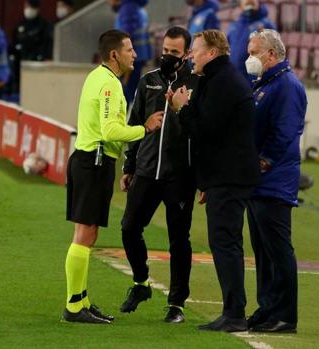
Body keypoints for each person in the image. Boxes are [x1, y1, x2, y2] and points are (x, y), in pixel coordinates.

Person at [63, 29, 163, 324]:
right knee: (84, 235)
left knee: (87, 233)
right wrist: (145, 128)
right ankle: (73, 305)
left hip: (90, 160)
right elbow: (110, 131)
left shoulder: (98, 77)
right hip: (94, 162)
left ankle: (81, 299)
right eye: (130, 49)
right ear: (115, 54)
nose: (135, 54)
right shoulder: (109, 85)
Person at [168, 29, 259, 332]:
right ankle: (232, 311)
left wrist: (182, 109)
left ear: (212, 52)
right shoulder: (219, 79)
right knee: (224, 242)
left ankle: (234, 314)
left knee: (226, 243)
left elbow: (205, 131)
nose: (191, 55)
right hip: (224, 177)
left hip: (230, 177)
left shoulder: (222, 82)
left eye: (195, 50)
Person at [119, 26, 197, 323]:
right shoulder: (148, 81)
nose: (167, 56)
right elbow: (136, 122)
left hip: (180, 175)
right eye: (165, 51)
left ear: (187, 54)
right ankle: (141, 283)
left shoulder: (195, 84)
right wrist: (129, 167)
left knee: (179, 239)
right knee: (129, 228)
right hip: (147, 170)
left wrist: (201, 178)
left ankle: (176, 303)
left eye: (174, 53)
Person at [244, 29, 307, 333]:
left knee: (278, 250)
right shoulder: (266, 84)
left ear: (271, 54)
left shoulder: (287, 86)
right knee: (263, 251)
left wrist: (262, 163)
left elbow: (285, 132)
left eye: (254, 52)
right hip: (260, 182)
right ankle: (267, 308)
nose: (249, 57)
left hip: (274, 180)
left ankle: (285, 315)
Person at [110, 0, 153, 104]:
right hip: (137, 58)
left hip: (130, 60)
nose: (109, 2)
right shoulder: (136, 7)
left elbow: (126, 36)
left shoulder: (127, 8)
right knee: (131, 92)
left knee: (125, 94)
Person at [227, 0, 276, 82]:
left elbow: (273, 55)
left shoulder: (266, 25)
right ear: (240, 4)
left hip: (254, 81)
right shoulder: (234, 25)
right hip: (234, 79)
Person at [12, 0, 52, 90]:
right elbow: (15, 42)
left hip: (37, 62)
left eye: (30, 7)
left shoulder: (43, 25)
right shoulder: (20, 24)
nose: (28, 10)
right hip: (20, 62)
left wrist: (46, 57)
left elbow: (47, 43)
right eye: (26, 7)